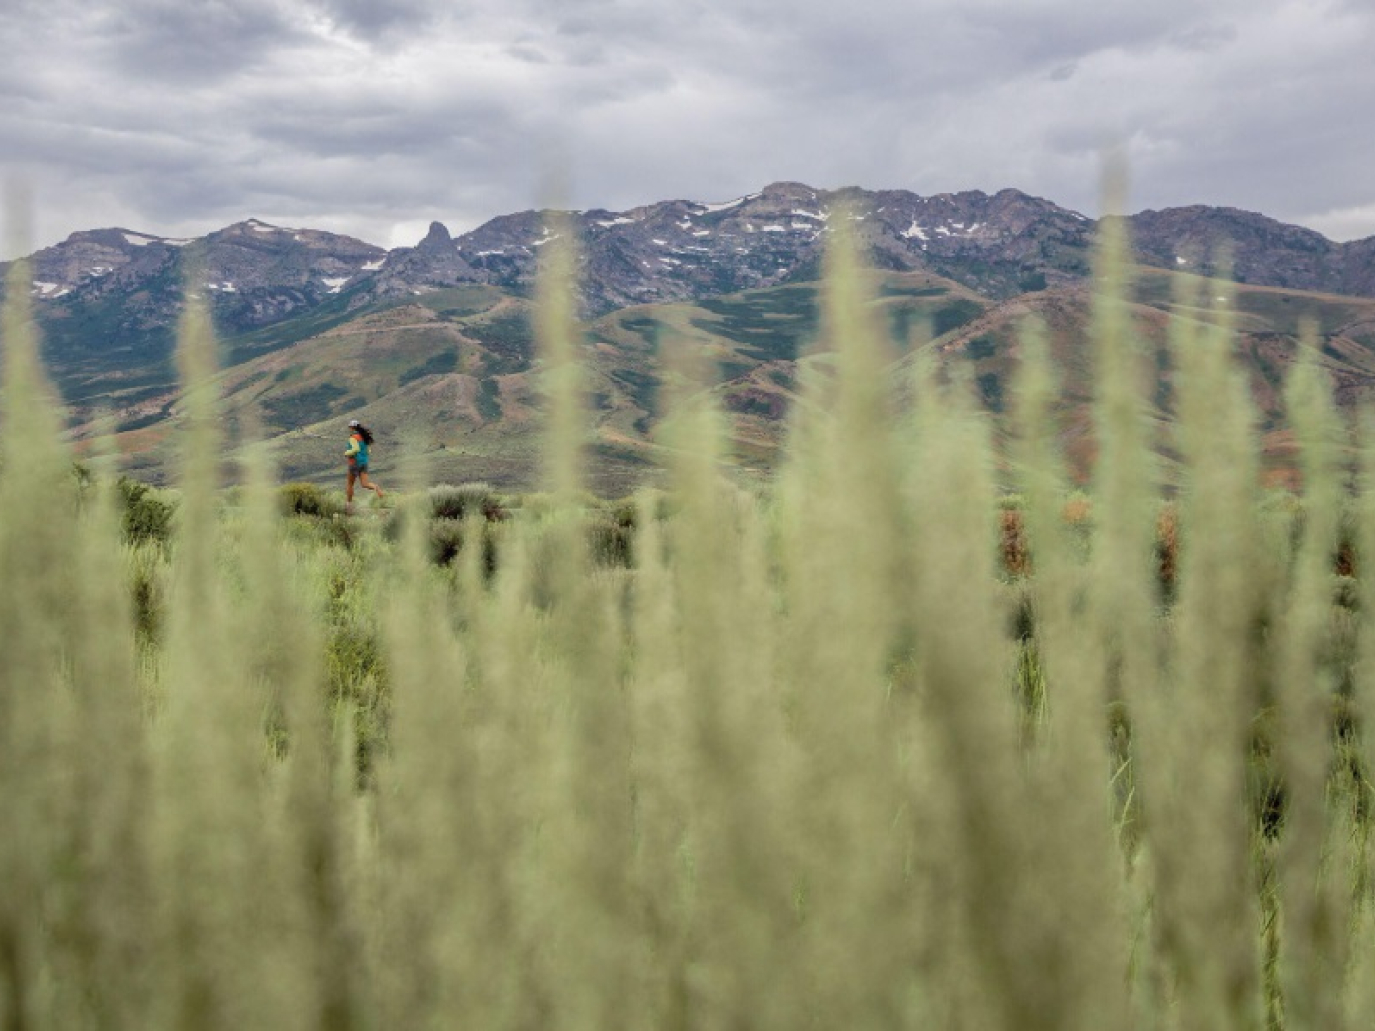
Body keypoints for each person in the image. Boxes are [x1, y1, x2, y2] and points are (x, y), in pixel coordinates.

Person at [344, 419, 384, 513]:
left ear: (352, 428)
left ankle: (349, 505)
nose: (349, 429)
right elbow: (368, 451)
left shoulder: (353, 438)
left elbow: (355, 449)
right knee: (365, 484)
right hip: (364, 463)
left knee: (350, 484)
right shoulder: (365, 438)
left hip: (354, 463)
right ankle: (376, 488)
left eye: (350, 427)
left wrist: (346, 453)